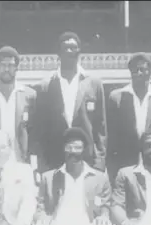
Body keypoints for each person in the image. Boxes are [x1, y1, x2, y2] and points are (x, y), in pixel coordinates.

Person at [30, 32, 107, 173]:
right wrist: (41, 164)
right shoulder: (45, 86)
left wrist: (100, 161)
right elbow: (39, 130)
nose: (70, 51)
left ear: (79, 51)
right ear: (58, 53)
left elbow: (100, 127)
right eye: (65, 48)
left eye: (73, 47)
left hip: (86, 158)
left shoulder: (94, 83)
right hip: (54, 159)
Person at [106, 53, 151, 182]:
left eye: (143, 69)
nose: (139, 73)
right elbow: (112, 135)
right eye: (135, 70)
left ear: (150, 72)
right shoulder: (117, 97)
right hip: (125, 162)